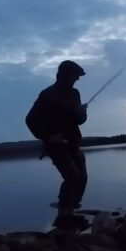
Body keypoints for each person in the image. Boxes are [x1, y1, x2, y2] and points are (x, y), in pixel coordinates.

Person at [26, 60, 89, 227]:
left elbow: (79, 120)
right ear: (65, 76)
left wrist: (83, 113)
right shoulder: (47, 94)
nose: (78, 79)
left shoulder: (75, 94)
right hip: (56, 146)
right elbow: (30, 120)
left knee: (81, 177)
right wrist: (48, 137)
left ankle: (70, 211)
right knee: (72, 176)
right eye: (76, 76)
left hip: (73, 143)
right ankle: (64, 215)